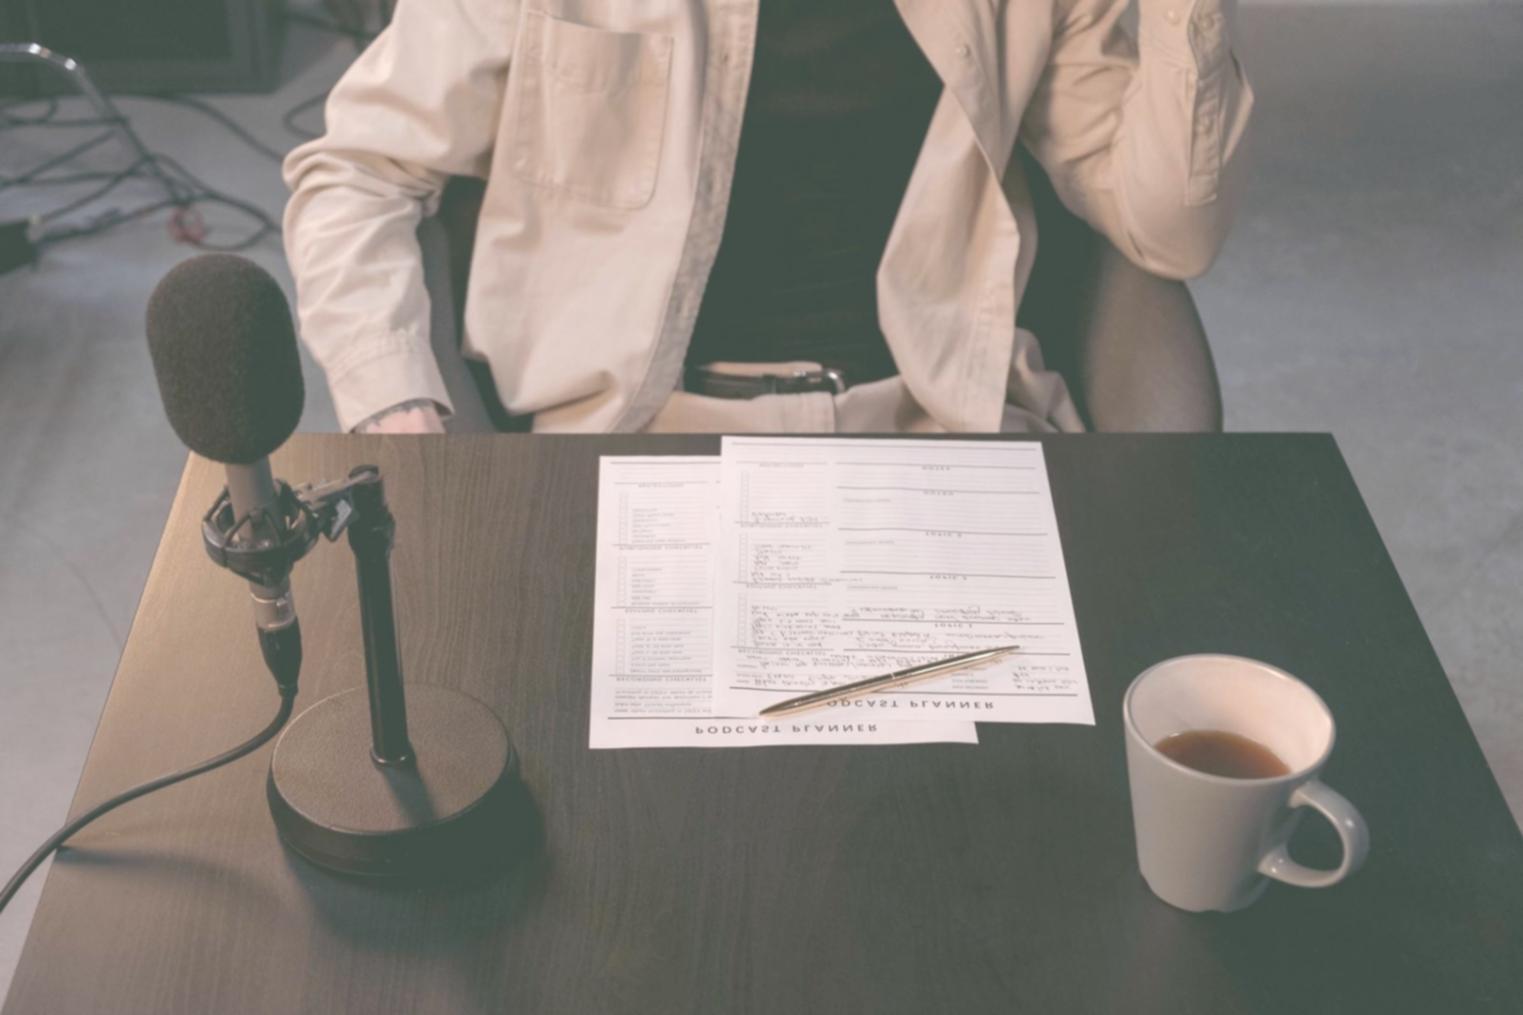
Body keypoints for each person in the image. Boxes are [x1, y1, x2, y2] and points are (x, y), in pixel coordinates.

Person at [283, 0, 1252, 436]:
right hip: (636, 434)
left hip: (934, 419)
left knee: (1003, 810)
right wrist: (400, 411)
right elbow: (357, 171)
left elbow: (1165, 230)